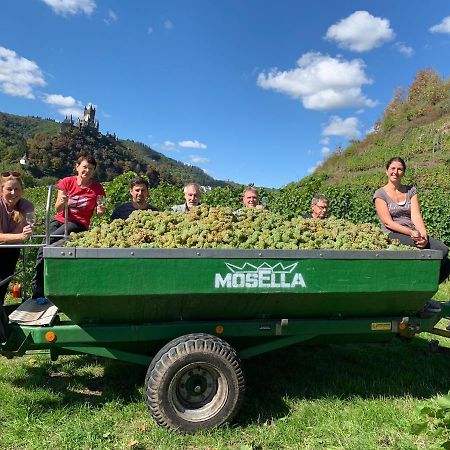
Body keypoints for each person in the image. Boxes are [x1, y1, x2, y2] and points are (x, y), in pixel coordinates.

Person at [32, 155, 106, 299]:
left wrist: (101, 211)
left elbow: (99, 211)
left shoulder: (97, 188)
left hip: (78, 223)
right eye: (84, 167)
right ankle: (38, 288)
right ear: (77, 167)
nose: (87, 170)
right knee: (43, 248)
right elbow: (58, 208)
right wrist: (63, 202)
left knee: (50, 244)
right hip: (60, 220)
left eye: (91, 168)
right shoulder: (67, 182)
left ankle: (51, 289)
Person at [373, 156, 450, 285]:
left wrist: (423, 234)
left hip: (413, 233)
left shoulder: (411, 191)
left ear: (403, 173)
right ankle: (417, 288)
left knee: (444, 252)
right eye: (392, 168)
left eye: (400, 169)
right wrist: (411, 233)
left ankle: (425, 290)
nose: (395, 172)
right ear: (387, 171)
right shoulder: (380, 194)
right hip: (392, 233)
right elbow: (388, 222)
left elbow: (416, 215)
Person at [0, 172, 34, 341]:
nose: (13, 193)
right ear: (1, 190)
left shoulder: (26, 206)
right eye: (9, 189)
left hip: (11, 251)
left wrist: (22, 235)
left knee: (2, 288)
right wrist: (19, 236)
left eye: (17, 189)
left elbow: (24, 233)